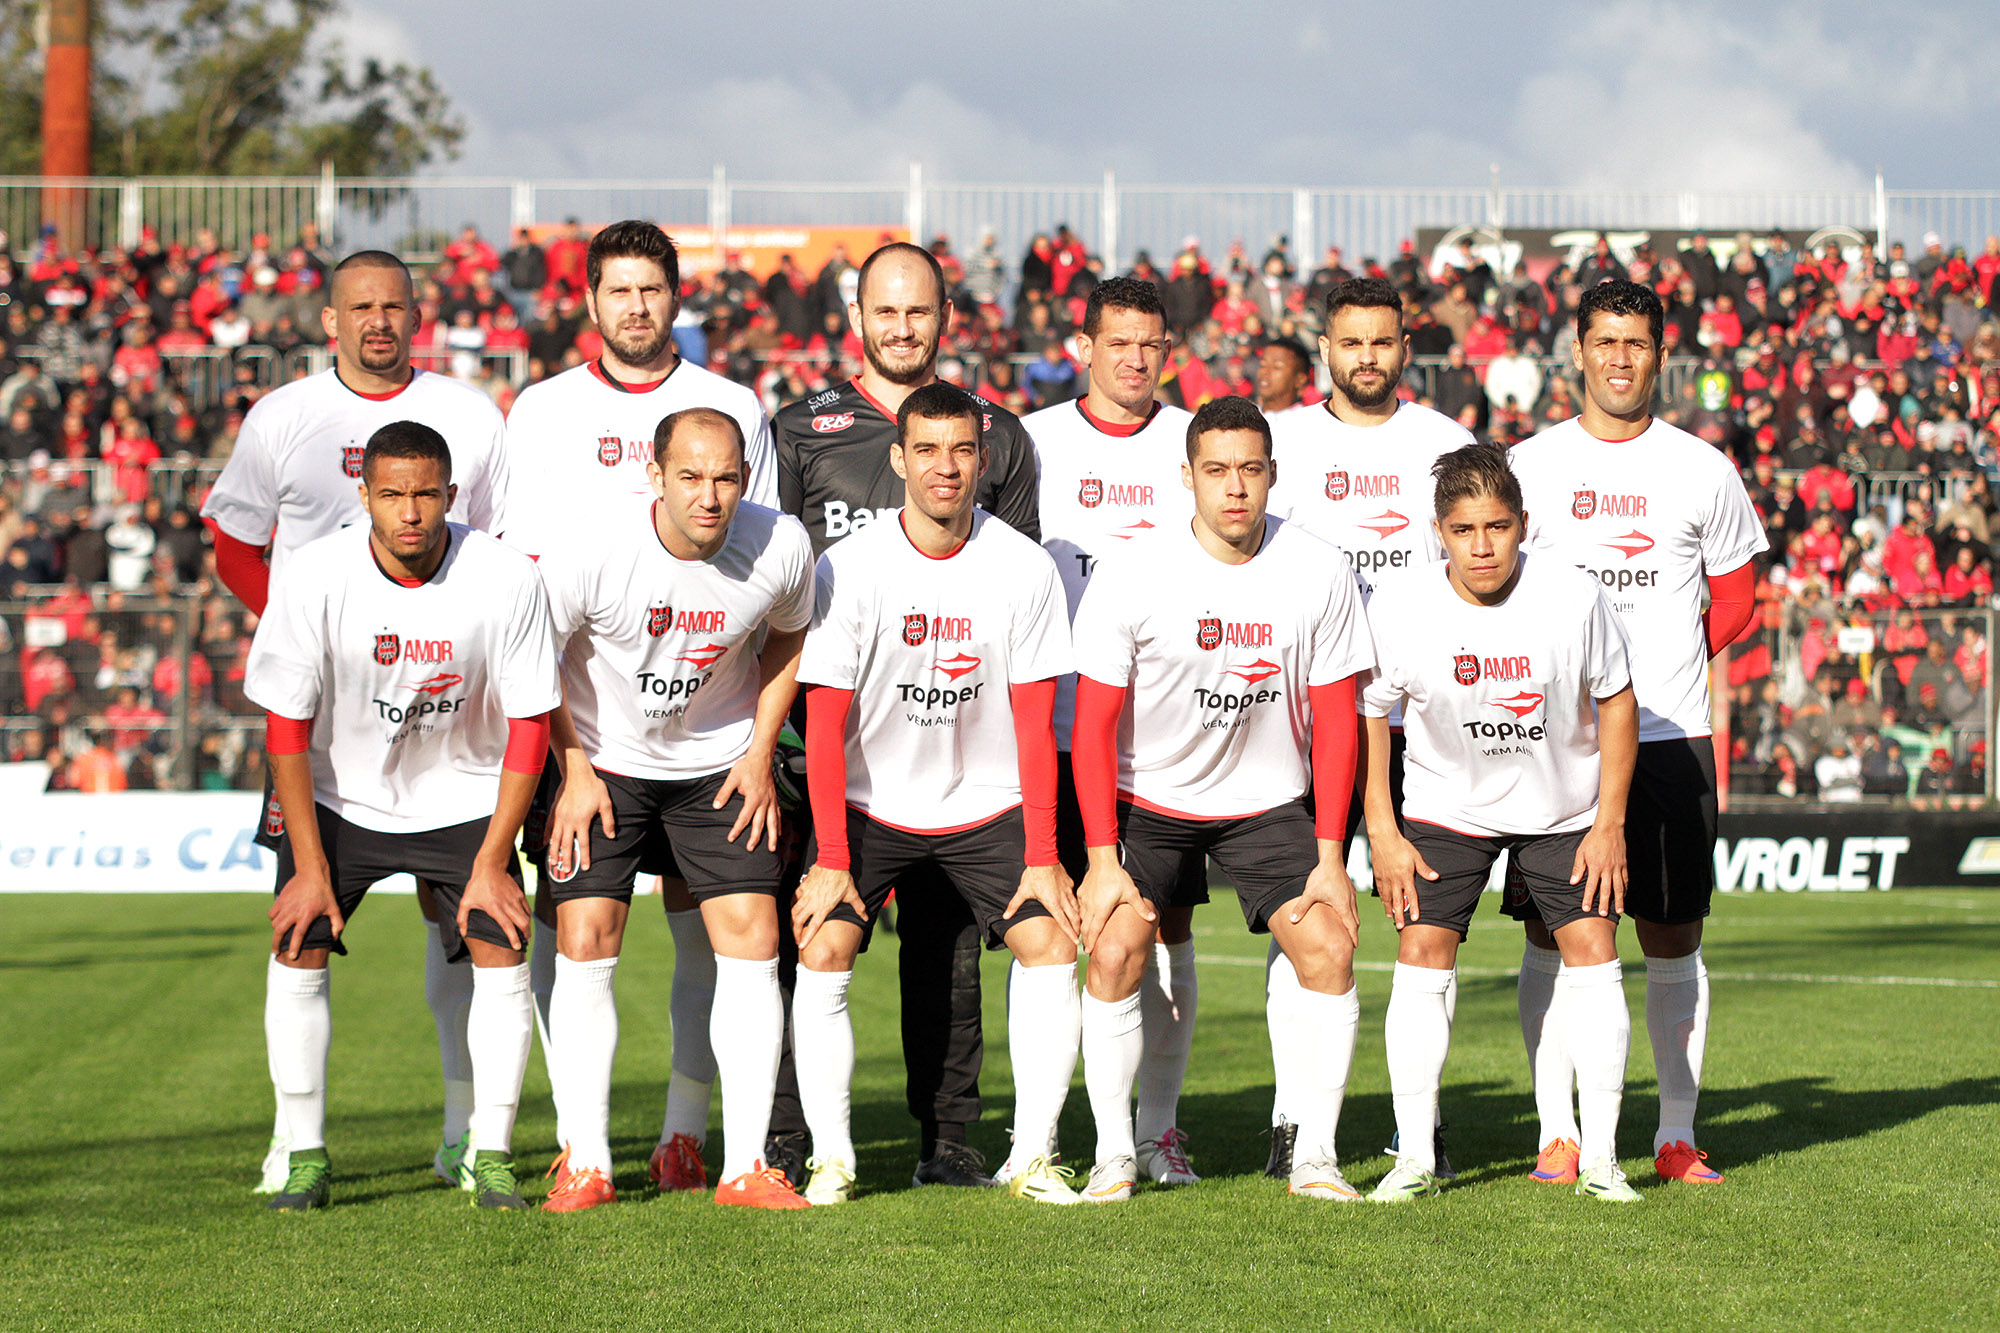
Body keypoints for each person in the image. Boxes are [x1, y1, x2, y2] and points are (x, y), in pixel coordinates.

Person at [200, 249, 510, 1196]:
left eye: (394, 307)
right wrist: (307, 642)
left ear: (419, 315)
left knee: (460, 919)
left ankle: (466, 1130)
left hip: (448, 699)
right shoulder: (283, 417)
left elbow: (497, 550)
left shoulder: (470, 416)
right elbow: (232, 543)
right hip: (325, 718)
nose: (378, 322)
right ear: (330, 320)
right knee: (304, 912)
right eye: (359, 307)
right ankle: (295, 1142)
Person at [502, 219, 780, 1194]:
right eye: (616, 291)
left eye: (651, 291)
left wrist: (749, 737)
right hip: (583, 716)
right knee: (572, 926)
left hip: (708, 725)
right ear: (589, 301)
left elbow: (758, 569)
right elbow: (512, 565)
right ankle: (578, 1143)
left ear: (675, 299)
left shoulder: (730, 404)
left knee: (705, 928)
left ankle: (685, 1130)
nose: (634, 307)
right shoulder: (540, 410)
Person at [772, 241, 1041, 1191]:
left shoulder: (996, 434)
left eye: (918, 312)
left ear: (945, 317)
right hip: (826, 742)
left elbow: (1014, 591)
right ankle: (791, 1133)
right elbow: (775, 590)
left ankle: (951, 1135)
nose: (901, 328)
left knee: (949, 955)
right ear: (857, 317)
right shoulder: (800, 427)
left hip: (961, 748)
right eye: (884, 312)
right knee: (807, 929)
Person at [246, 421, 558, 1212]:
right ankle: (304, 1153)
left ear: (452, 496)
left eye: (426, 494)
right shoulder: (315, 574)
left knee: (501, 945)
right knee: (299, 942)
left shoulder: (505, 577)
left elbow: (529, 722)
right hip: (336, 796)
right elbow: (283, 723)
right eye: (392, 494)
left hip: (463, 796)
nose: (410, 511)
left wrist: (494, 859)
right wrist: (311, 869)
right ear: (365, 496)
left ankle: (491, 1153)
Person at [1069, 396, 1373, 1203]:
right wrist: (1102, 859)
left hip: (1268, 802)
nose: (1234, 487)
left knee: (1330, 948)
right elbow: (1094, 722)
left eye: (1249, 468)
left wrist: (1333, 856)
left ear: (1273, 473)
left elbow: (1340, 718)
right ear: (1187, 477)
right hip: (1150, 800)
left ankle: (1315, 1154)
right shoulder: (1133, 570)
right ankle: (1119, 1152)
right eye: (1216, 469)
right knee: (1116, 947)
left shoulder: (1319, 567)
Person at [789, 382, 1081, 1205]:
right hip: (869, 803)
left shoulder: (1022, 567)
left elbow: (1034, 720)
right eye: (927, 449)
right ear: (898, 458)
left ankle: (1031, 1155)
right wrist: (833, 859)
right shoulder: (846, 566)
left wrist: (1042, 857)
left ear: (983, 459)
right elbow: (824, 719)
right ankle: (834, 1159)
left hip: (986, 803)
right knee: (823, 944)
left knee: (1051, 944)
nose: (945, 467)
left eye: (961, 450)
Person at [1507, 279, 1764, 1186]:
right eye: (1604, 341)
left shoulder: (1703, 467)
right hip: (1556, 743)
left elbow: (1738, 596)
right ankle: (1558, 1134)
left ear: (1662, 355)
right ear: (1577, 351)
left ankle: (1676, 1136)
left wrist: (1659, 662)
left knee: (1672, 936)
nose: (1620, 358)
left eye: (1637, 344)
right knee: (1556, 937)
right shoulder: (1528, 465)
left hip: (1669, 734)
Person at [533, 407, 814, 1213]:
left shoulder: (781, 545)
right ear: (653, 476)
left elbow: (791, 637)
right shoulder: (590, 548)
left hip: (718, 766)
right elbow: (535, 659)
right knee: (587, 936)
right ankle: (585, 1161)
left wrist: (760, 751)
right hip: (604, 761)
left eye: (726, 477)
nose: (710, 495)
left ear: (746, 478)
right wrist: (575, 769)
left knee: (752, 938)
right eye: (690, 476)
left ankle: (735, 1161)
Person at [1363, 443, 1639, 1202]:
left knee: (1592, 942)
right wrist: (1381, 828)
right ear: (1438, 532)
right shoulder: (1400, 603)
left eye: (1496, 526)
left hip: (1564, 808)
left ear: (1525, 524)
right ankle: (1414, 1157)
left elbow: (1617, 700)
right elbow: (1369, 710)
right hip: (1447, 807)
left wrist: (1609, 821)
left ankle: (1602, 1160)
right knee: (1422, 947)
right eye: (1463, 529)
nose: (1481, 546)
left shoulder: (1575, 595)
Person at [1263, 275, 1474, 1177]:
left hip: (1417, 727)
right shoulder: (1282, 444)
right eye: (1351, 342)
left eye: (1383, 342)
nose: (1367, 358)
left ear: (1404, 346)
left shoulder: (1446, 443)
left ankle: (1413, 1124)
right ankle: (1291, 1122)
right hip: (1303, 721)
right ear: (1326, 350)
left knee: (1418, 927)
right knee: (1306, 914)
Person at [1025, 274, 1206, 1185]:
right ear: (1083, 346)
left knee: (1163, 929)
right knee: (1059, 933)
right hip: (1056, 727)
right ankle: (1043, 1136)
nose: (1135, 360)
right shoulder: (1035, 442)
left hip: (1165, 742)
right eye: (1118, 342)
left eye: (1151, 344)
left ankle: (1159, 1130)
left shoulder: (1194, 443)